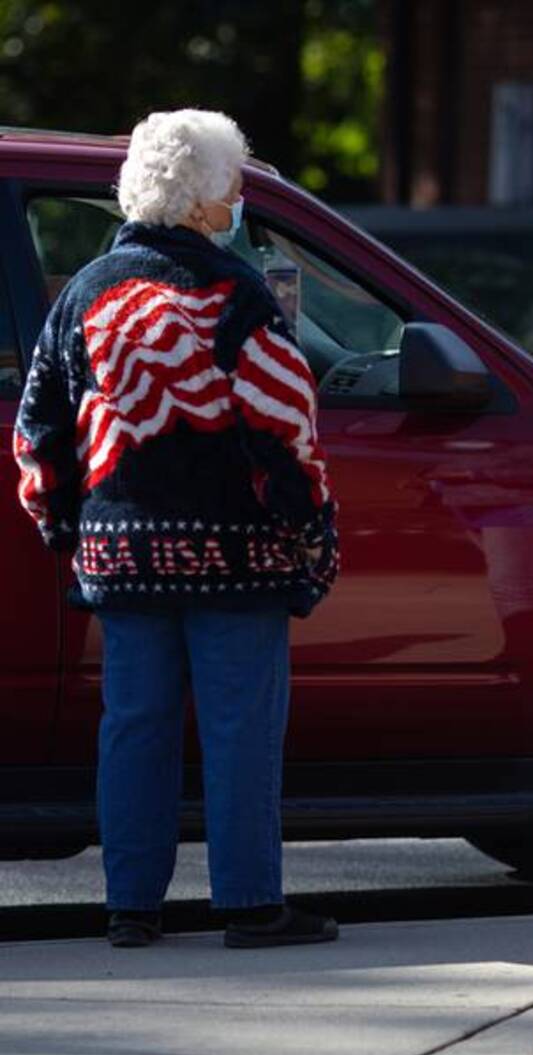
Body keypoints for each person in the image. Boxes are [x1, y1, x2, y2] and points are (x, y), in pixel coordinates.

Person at [13, 110, 340, 948]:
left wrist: (66, 530)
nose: (237, 201)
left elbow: (38, 431)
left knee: (134, 726)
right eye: (231, 186)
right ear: (201, 205)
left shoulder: (83, 294)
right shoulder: (236, 293)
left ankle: (131, 909)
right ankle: (249, 905)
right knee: (239, 731)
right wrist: (309, 526)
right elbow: (284, 423)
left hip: (122, 558)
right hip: (234, 558)